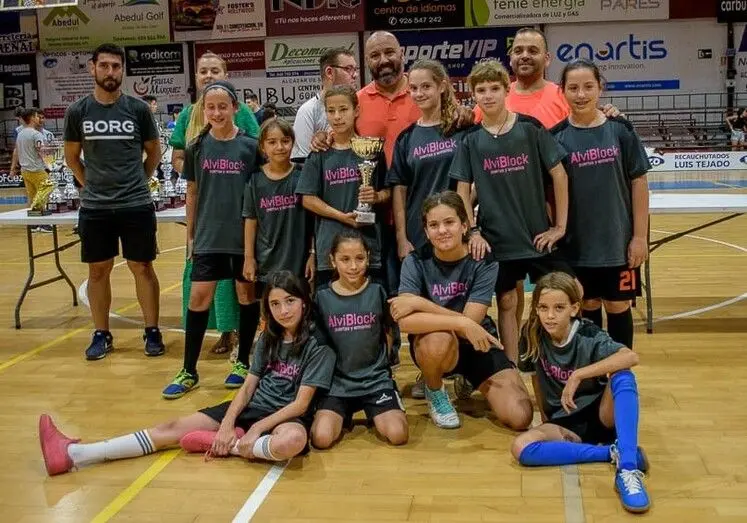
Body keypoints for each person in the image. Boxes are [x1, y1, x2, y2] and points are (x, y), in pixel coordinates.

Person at [39, 271, 336, 475]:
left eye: (290, 301)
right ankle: (76, 454)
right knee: (170, 427)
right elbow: (248, 388)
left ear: (304, 302)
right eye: (275, 304)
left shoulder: (318, 345)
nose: (284, 311)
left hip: (286, 416)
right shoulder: (268, 338)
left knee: (291, 443)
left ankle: (234, 445)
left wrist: (257, 428)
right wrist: (227, 423)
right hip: (253, 408)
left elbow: (300, 405)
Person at [450, 59, 573, 366]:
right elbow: (462, 191)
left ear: (507, 90)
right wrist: (473, 231)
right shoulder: (470, 140)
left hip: (537, 235)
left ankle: (559, 363)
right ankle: (511, 367)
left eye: (494, 88)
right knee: (506, 300)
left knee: (562, 296)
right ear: (473, 95)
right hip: (498, 238)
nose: (488, 95)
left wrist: (559, 226)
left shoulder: (530, 128)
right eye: (481, 90)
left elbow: (559, 174)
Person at [392, 191, 533, 430]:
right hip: (436, 345)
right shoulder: (415, 262)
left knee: (520, 416)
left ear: (465, 225)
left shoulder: (483, 260)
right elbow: (405, 322)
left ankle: (468, 379)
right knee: (438, 339)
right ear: (426, 231)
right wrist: (461, 323)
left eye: (449, 222)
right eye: (433, 225)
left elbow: (472, 321)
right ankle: (435, 390)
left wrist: (421, 304)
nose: (442, 230)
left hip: (477, 341)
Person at [511, 272, 650, 513]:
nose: (550, 315)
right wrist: (545, 419)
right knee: (521, 447)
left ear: (574, 308)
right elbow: (535, 379)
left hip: (601, 415)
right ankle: (612, 453)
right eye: (543, 308)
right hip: (565, 421)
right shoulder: (531, 333)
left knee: (623, 374)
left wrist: (579, 375)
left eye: (559, 308)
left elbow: (630, 356)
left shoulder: (588, 334)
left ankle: (628, 470)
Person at [63, 43, 164, 360]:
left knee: (142, 267)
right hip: (96, 208)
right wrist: (90, 185)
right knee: (97, 271)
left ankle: (152, 331)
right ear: (92, 67)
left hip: (136, 204)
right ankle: (101, 333)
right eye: (104, 65)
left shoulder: (138, 109)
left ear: (122, 70)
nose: (110, 72)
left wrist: (139, 181)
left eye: (116, 66)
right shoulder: (78, 111)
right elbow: (71, 158)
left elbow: (154, 152)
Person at [162, 81, 261, 399]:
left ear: (235, 108)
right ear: (203, 110)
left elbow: (258, 192)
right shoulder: (196, 147)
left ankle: (242, 362)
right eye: (210, 107)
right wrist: (191, 235)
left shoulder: (251, 147)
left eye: (222, 107)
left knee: (246, 295)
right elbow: (192, 192)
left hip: (242, 237)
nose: (217, 113)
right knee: (198, 299)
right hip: (209, 236)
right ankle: (188, 370)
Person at [551, 59, 651, 349]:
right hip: (577, 245)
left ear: (600, 88)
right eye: (573, 88)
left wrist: (639, 237)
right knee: (587, 305)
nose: (581, 94)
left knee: (618, 306)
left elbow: (639, 182)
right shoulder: (555, 137)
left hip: (617, 242)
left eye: (588, 86)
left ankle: (620, 372)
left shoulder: (621, 130)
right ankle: (593, 369)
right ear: (562, 91)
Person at [311, 231, 408, 448]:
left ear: (368, 257)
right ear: (332, 260)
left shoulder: (379, 290)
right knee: (321, 438)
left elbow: (389, 331)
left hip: (375, 381)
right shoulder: (321, 296)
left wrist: (386, 366)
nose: (353, 266)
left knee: (398, 434)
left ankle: (381, 409)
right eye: (345, 259)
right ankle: (340, 414)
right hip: (337, 384)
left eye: (359, 258)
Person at [296, 85, 388, 289]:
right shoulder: (319, 154)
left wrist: (376, 196)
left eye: (343, 109)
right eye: (331, 111)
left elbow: (388, 191)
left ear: (356, 111)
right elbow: (307, 199)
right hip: (329, 250)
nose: (337, 116)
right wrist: (340, 216)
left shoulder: (372, 149)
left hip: (367, 247)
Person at [243, 118, 315, 289]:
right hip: (266, 264)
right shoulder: (255, 180)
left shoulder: (303, 174)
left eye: (285, 141)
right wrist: (249, 258)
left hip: (300, 263)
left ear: (293, 143)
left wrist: (313, 254)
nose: (280, 147)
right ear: (262, 147)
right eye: (272, 142)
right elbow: (251, 221)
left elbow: (314, 220)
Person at [291, 47, 359, 163]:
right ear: (329, 72)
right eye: (348, 69)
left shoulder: (358, 104)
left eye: (355, 69)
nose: (355, 75)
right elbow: (303, 162)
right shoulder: (307, 111)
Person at [15, 108, 52, 233]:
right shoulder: (36, 134)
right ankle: (44, 224)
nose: (39, 119)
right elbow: (42, 152)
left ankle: (34, 223)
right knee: (45, 192)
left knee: (33, 196)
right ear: (31, 118)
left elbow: (17, 151)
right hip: (36, 169)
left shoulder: (20, 134)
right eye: (37, 116)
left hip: (25, 170)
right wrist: (51, 165)